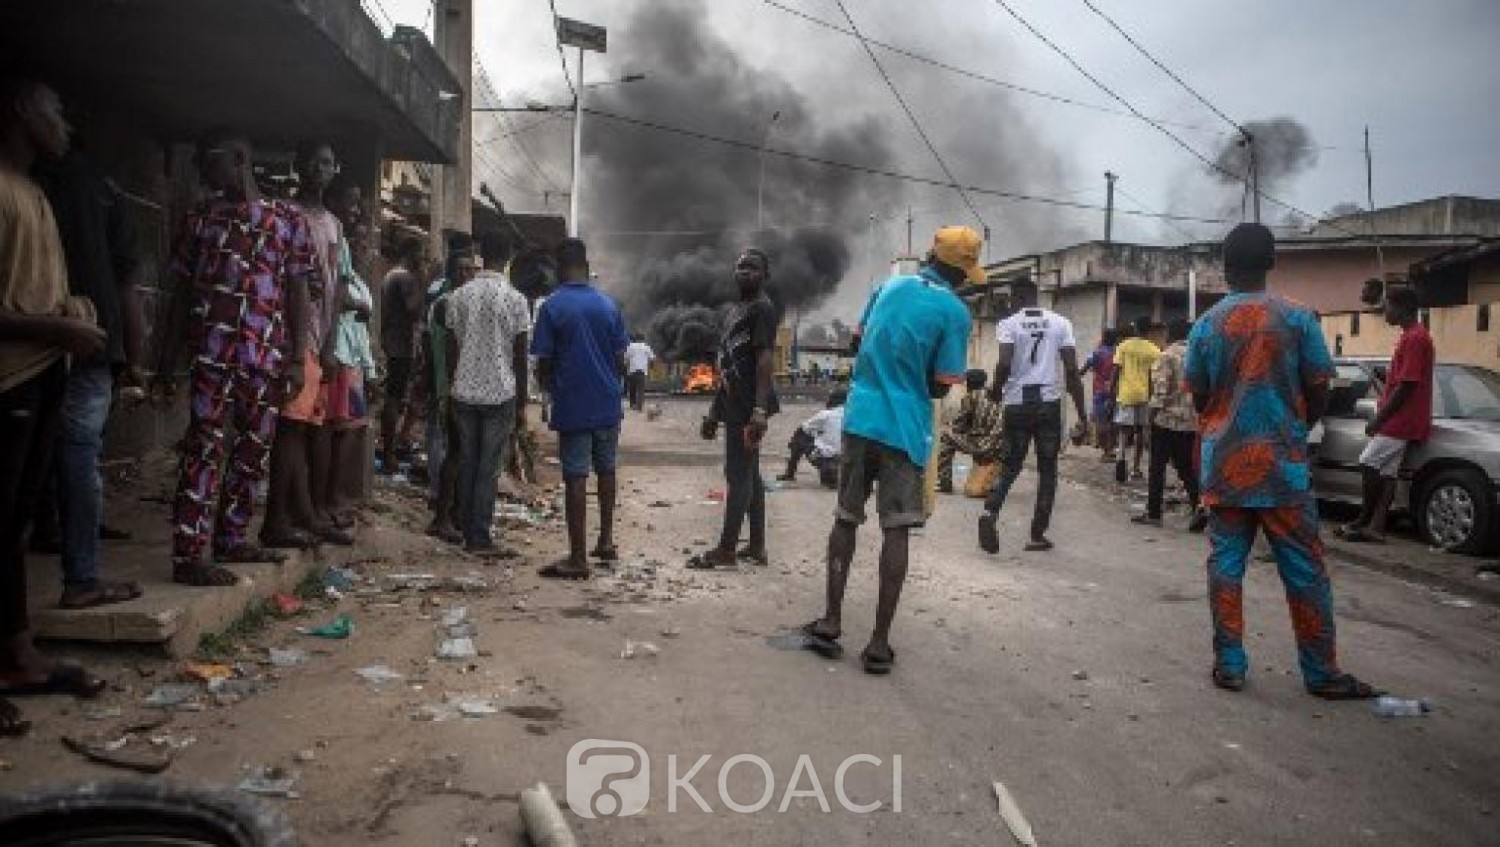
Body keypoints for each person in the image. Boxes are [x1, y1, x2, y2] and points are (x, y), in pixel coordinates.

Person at [1186, 222, 1378, 699]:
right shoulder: (1297, 318)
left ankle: (1230, 664)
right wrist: (1294, 427)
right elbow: (1320, 386)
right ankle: (1322, 673)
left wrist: (1227, 419)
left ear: (1225, 267)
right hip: (1283, 467)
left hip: (1225, 465)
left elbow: (1200, 395)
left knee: (1226, 564)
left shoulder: (1206, 324)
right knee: (1305, 569)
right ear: (1272, 262)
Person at [801, 227, 974, 675]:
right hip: (904, 428)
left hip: (860, 417)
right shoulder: (955, 311)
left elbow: (857, 343)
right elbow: (941, 384)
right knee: (896, 529)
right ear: (962, 272)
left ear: (931, 256)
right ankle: (878, 643)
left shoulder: (888, 286)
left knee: (846, 518)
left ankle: (831, 621)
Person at [151, 127, 315, 586]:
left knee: (252, 449)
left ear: (239, 159)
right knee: (203, 446)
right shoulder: (199, 219)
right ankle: (189, 554)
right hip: (211, 352)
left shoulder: (287, 219)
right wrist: (164, 361)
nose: (203, 171)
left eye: (210, 160)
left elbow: (298, 291)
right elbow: (180, 294)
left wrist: (296, 359)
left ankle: (231, 537)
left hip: (264, 354)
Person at [0, 77, 110, 735]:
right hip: (11, 376)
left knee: (14, 522)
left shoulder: (35, 191)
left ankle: (18, 655)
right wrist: (56, 328)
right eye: (56, 110)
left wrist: (70, 315)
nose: (65, 123)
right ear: (21, 110)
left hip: (41, 371)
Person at [31, 124, 148, 608]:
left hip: (33, 339)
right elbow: (128, 282)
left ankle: (51, 531)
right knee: (80, 451)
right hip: (89, 338)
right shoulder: (103, 189)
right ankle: (80, 575)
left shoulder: (31, 183)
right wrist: (134, 358)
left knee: (36, 448)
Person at [259, 141, 350, 548]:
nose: (320, 168)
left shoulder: (334, 225)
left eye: (327, 162)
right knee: (290, 429)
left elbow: (338, 286)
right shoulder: (281, 214)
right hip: (289, 337)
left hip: (316, 339)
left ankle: (302, 514)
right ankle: (278, 519)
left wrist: (329, 343)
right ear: (299, 165)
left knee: (305, 429)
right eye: (313, 161)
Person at [531, 238, 629, 579]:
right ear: (586, 267)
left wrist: (550, 385)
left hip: (573, 403)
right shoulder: (608, 305)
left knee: (575, 476)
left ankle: (577, 558)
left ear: (560, 269)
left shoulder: (552, 307)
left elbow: (543, 362)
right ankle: (605, 541)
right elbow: (621, 359)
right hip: (608, 402)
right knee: (607, 469)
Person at [977, 282, 1090, 554]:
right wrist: (1082, 415)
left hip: (1017, 403)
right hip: (1048, 404)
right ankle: (1037, 535)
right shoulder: (1061, 323)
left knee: (1010, 465)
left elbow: (1004, 363)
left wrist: (995, 390)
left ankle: (991, 512)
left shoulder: (1008, 325)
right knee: (1048, 470)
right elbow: (1072, 371)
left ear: (1017, 296)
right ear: (1035, 295)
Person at [444, 230, 530, 553]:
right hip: (500, 392)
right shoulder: (516, 300)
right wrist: (521, 402)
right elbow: (520, 356)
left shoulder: (458, 297)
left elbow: (451, 350)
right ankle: (479, 535)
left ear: (481, 253)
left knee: (468, 461)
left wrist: (451, 385)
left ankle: (467, 529)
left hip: (463, 391)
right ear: (508, 258)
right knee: (488, 466)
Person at [694, 249, 781, 569]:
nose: (745, 272)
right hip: (733, 401)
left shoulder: (762, 309)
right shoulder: (736, 311)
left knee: (738, 474)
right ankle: (756, 547)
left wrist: (759, 410)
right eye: (741, 267)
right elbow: (728, 364)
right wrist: (714, 412)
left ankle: (727, 549)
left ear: (765, 275)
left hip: (748, 404)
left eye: (753, 267)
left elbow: (765, 360)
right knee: (750, 475)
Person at [1337, 286, 1433, 543]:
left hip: (1401, 419)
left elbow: (1408, 384)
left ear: (1402, 308)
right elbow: (1405, 379)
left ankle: (1364, 518)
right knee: (1388, 473)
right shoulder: (1412, 336)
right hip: (1404, 417)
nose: (1385, 311)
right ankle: (1376, 526)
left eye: (1388, 305)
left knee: (1368, 462)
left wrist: (1379, 420)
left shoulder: (1415, 338)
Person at [324, 175, 375, 521]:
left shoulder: (357, 281)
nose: (363, 248)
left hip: (352, 361)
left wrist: (369, 367)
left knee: (351, 431)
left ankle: (339, 499)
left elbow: (361, 333)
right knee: (340, 432)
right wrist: (356, 306)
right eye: (359, 242)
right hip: (339, 357)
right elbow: (338, 305)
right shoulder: (339, 262)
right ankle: (332, 500)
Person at [423, 234, 475, 543]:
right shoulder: (446, 304)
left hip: (461, 386)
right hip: (449, 387)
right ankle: (442, 517)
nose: (467, 275)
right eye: (462, 270)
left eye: (471, 270)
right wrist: (441, 388)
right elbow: (439, 352)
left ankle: (453, 513)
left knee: (460, 451)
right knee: (454, 452)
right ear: (452, 273)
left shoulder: (459, 302)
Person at [1133, 318, 1206, 531]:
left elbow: (1160, 392)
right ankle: (1199, 505)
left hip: (1166, 421)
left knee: (1157, 467)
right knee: (1186, 467)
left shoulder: (1166, 356)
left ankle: (1154, 513)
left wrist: (1149, 421)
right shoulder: (1197, 356)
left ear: (1169, 334)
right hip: (1190, 422)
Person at [378, 237, 426, 471]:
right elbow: (413, 308)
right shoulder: (404, 277)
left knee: (396, 397)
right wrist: (423, 282)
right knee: (394, 398)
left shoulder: (391, 275)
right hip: (400, 345)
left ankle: (392, 446)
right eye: (420, 254)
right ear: (411, 254)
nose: (423, 259)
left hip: (394, 342)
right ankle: (389, 452)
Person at [935, 369, 1005, 494]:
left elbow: (958, 426)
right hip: (1000, 449)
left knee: (946, 438)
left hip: (982, 446)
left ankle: (944, 481)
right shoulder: (1000, 396)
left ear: (969, 383)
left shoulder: (972, 396)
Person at [1111, 317, 1159, 482]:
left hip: (1126, 394)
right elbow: (1154, 377)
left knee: (1124, 431)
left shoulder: (1123, 346)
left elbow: (1116, 371)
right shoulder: (1154, 350)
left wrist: (1111, 391)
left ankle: (1121, 459)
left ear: (1136, 329)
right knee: (1140, 431)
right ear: (1149, 331)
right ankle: (1136, 468)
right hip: (1144, 395)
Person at [778, 388, 847, 488]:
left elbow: (803, 428)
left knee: (800, 437)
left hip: (826, 458)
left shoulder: (826, 414)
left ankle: (790, 473)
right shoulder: (855, 415)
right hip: (848, 459)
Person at [1078, 329, 1118, 460]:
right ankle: (1112, 449)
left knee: (1101, 422)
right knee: (1113, 421)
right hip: (1116, 391)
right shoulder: (1118, 353)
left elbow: (1083, 370)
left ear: (1103, 338)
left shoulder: (1098, 353)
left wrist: (1075, 377)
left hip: (1100, 391)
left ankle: (1106, 452)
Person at [623, 333, 654, 412]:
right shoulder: (646, 347)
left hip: (633, 370)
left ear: (635, 339)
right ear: (643, 339)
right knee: (640, 389)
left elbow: (626, 358)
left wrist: (627, 367)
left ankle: (632, 404)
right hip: (642, 371)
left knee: (632, 388)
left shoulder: (630, 346)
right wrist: (650, 368)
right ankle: (639, 406)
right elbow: (652, 358)